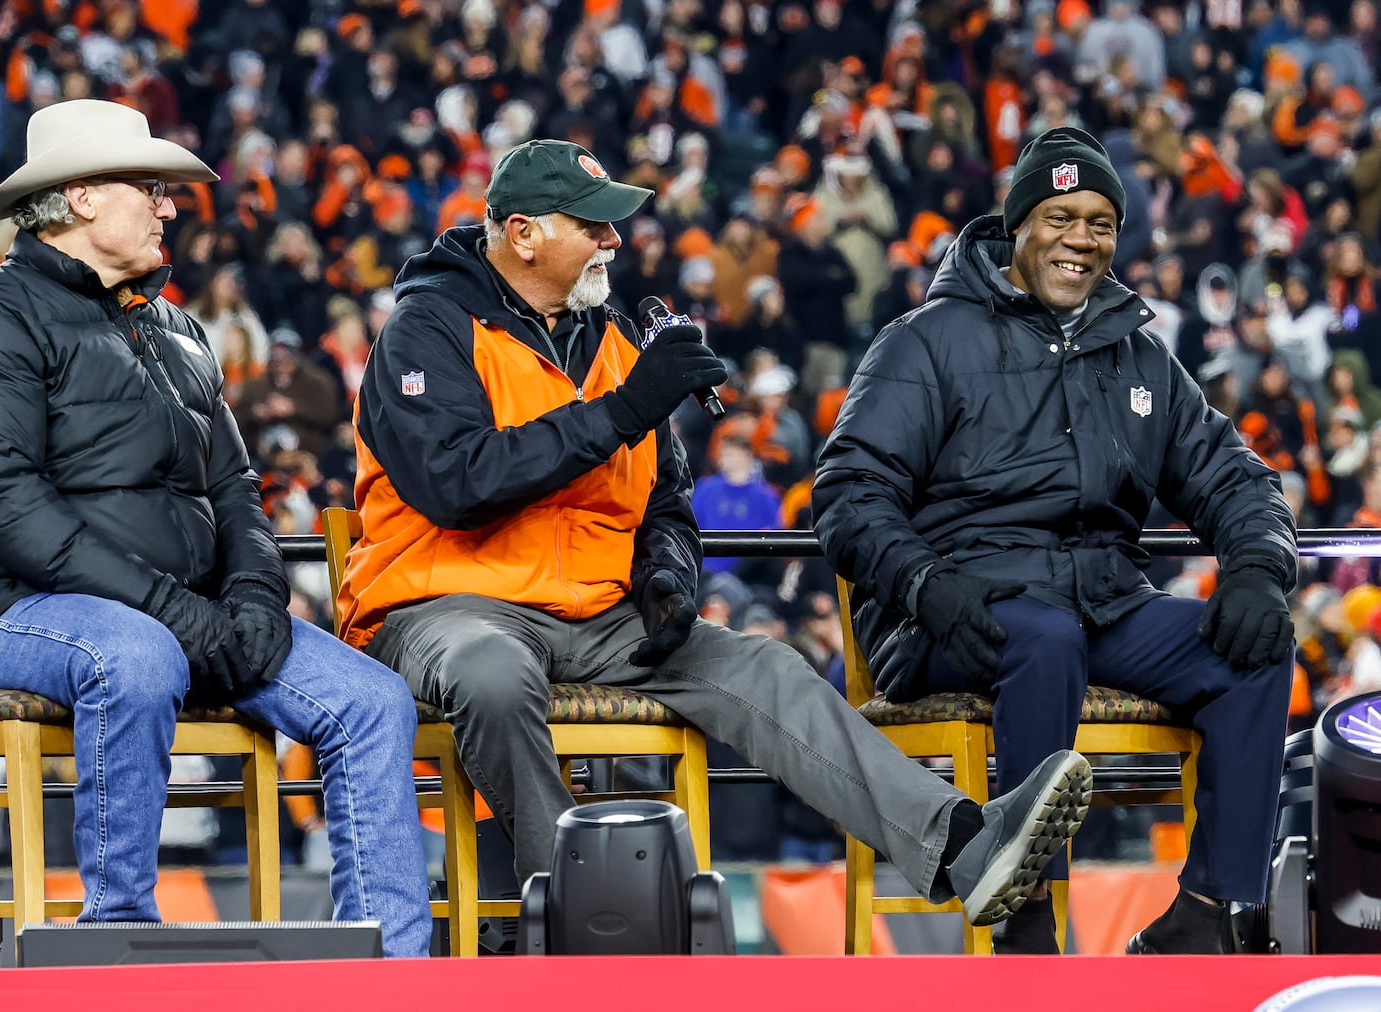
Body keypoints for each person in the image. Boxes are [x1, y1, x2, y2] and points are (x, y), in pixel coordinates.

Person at [336, 137, 1093, 930]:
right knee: (490, 673)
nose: (614, 241)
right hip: (445, 606)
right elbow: (460, 484)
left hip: (596, 614)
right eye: (592, 225)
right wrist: (627, 408)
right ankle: (583, 912)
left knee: (765, 664)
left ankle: (961, 848)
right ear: (522, 234)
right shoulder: (425, 329)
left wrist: (667, 581)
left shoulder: (619, 337)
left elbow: (665, 504)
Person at [0, 100, 430, 957]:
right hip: (14, 612)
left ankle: (392, 967)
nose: (169, 207)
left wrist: (258, 599)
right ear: (79, 198)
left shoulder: (178, 329)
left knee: (373, 702)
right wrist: (175, 612)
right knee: (135, 655)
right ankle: (116, 936)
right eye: (149, 188)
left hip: (184, 611)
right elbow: (8, 511)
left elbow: (234, 488)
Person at [813, 127, 1296, 955]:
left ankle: (1210, 916)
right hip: (954, 612)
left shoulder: (1138, 355)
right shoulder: (925, 340)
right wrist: (925, 581)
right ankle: (1027, 922)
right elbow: (849, 493)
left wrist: (1257, 565)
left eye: (1102, 221)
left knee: (1256, 647)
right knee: (1043, 637)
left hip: (1100, 604)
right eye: (1061, 215)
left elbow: (1237, 477)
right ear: (1019, 225)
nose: (1082, 238)